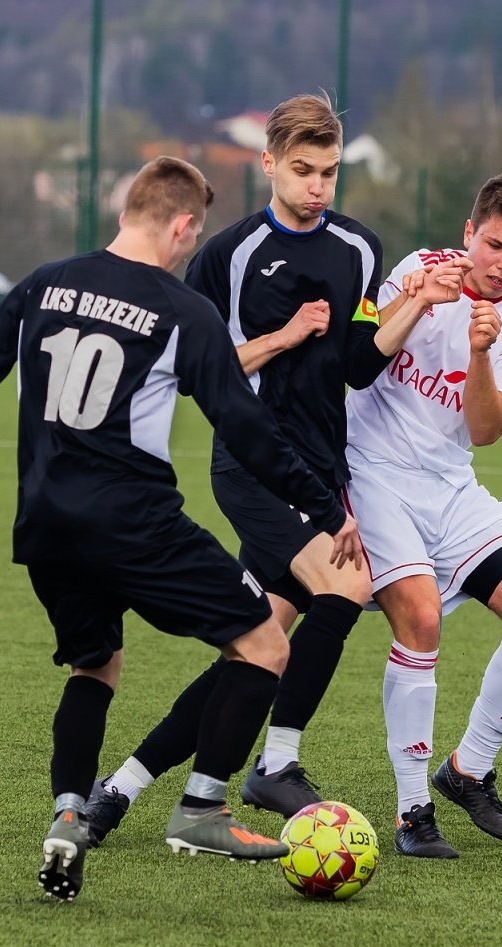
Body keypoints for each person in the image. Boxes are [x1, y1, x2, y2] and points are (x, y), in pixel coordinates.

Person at [0, 156, 363, 902]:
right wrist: (326, 507)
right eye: (193, 234)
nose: (190, 246)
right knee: (263, 644)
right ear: (182, 225)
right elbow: (244, 426)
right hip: (133, 520)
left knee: (97, 666)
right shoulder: (182, 310)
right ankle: (202, 809)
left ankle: (68, 817)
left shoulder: (43, 282)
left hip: (44, 523)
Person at [83, 94, 469, 841]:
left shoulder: (360, 247)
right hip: (253, 464)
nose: (318, 185)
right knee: (350, 584)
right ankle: (277, 762)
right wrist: (283, 337)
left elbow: (357, 366)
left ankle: (120, 789)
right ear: (268, 164)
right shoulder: (228, 256)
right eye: (302, 170)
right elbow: (193, 371)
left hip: (322, 473)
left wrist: (414, 305)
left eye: (329, 171)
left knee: (255, 643)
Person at [343, 175, 502, 858]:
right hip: (372, 472)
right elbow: (358, 359)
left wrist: (479, 353)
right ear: (469, 232)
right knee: (421, 617)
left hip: (450, 485)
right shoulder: (417, 269)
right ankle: (413, 813)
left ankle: (467, 769)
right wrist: (416, 304)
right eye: (494, 245)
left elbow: (485, 430)